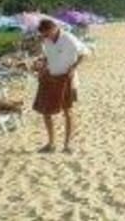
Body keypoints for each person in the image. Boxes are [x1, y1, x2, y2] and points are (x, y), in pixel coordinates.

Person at [33, 18, 88, 153]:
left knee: (68, 112)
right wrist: (42, 67)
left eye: (46, 34)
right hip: (51, 78)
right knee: (46, 111)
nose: (45, 37)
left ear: (53, 29)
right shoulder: (47, 40)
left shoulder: (68, 39)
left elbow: (85, 53)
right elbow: (48, 57)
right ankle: (51, 143)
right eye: (43, 35)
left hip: (67, 80)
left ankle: (68, 145)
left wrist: (73, 68)